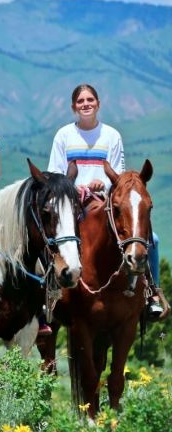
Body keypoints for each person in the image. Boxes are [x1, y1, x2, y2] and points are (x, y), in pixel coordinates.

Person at [48, 83, 166, 319]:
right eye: (80, 101)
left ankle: (151, 292)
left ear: (98, 104)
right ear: (74, 107)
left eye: (90, 100)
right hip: (72, 204)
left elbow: (119, 177)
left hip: (104, 203)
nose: (86, 104)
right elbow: (54, 175)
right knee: (50, 238)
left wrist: (102, 185)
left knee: (151, 238)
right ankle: (47, 293)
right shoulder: (64, 135)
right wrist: (76, 187)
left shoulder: (112, 135)